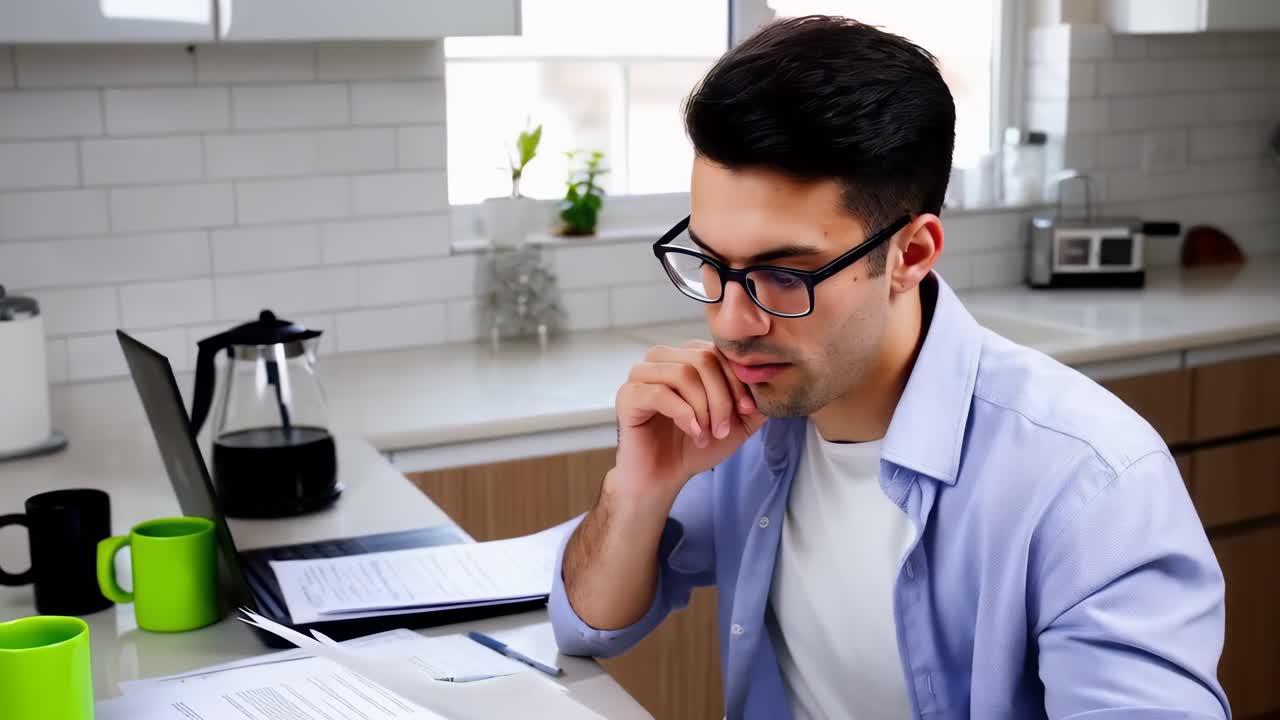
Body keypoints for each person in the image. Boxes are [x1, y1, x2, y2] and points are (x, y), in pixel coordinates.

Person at [549, 15, 1230, 720]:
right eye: (713, 263)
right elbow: (586, 623)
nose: (730, 322)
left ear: (910, 255)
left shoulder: (1087, 485)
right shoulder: (747, 420)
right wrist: (639, 488)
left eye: (783, 274)